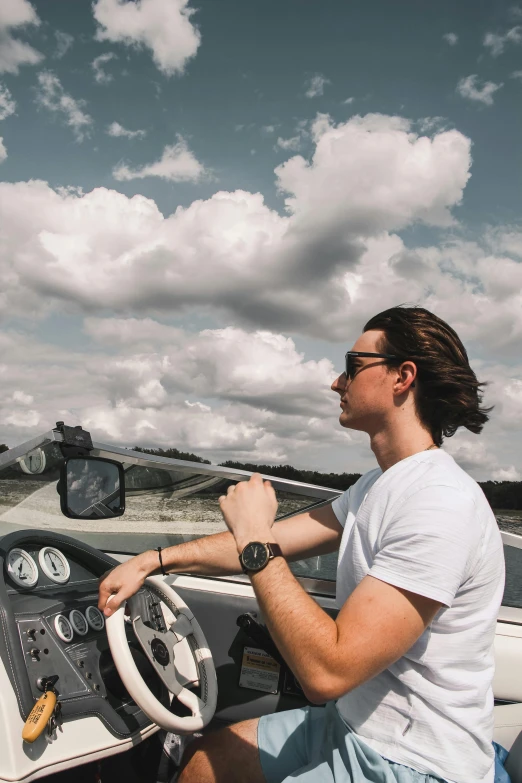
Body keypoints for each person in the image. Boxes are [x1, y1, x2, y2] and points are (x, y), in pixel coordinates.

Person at [98, 305, 505, 783]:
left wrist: (254, 536)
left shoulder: (439, 502)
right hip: (351, 724)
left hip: (413, 760)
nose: (337, 382)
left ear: (402, 377)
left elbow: (326, 673)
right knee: (205, 763)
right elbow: (278, 542)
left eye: (353, 366)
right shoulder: (378, 486)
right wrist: (154, 560)